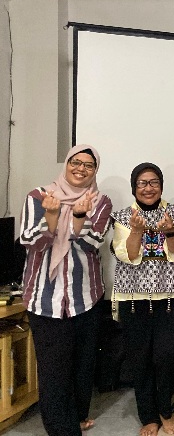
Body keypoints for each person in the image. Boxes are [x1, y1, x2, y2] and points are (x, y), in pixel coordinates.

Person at [19, 144, 113, 436]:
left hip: (85, 297)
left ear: (95, 171)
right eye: (76, 162)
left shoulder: (101, 201)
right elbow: (31, 242)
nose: (81, 169)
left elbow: (91, 243)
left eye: (89, 165)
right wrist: (51, 217)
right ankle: (62, 430)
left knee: (83, 366)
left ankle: (77, 416)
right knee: (54, 370)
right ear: (67, 164)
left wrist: (78, 217)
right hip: (45, 299)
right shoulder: (39, 196)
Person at [110, 162, 174, 436]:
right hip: (133, 298)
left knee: (167, 354)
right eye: (142, 183)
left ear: (161, 185)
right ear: (134, 187)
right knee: (140, 358)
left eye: (154, 182)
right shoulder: (123, 217)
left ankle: (165, 409)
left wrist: (169, 231)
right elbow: (128, 256)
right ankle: (149, 416)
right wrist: (136, 231)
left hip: (170, 296)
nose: (148, 188)